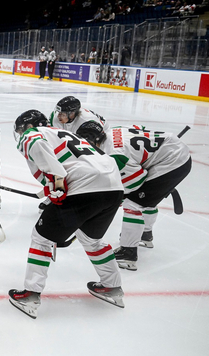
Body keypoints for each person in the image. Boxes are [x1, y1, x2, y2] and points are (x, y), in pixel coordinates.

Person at [9, 110, 125, 318]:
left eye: (20, 130)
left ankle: (31, 295)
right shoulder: (67, 135)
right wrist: (54, 184)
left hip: (85, 185)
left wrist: (59, 181)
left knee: (41, 238)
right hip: (113, 186)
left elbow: (36, 144)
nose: (20, 134)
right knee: (91, 239)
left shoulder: (35, 133)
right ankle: (112, 287)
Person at [76, 123, 192, 271]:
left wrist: (119, 196)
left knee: (133, 204)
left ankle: (128, 253)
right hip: (172, 151)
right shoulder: (112, 131)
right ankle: (145, 234)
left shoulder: (113, 153)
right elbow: (140, 129)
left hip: (172, 161)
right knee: (146, 200)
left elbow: (137, 179)